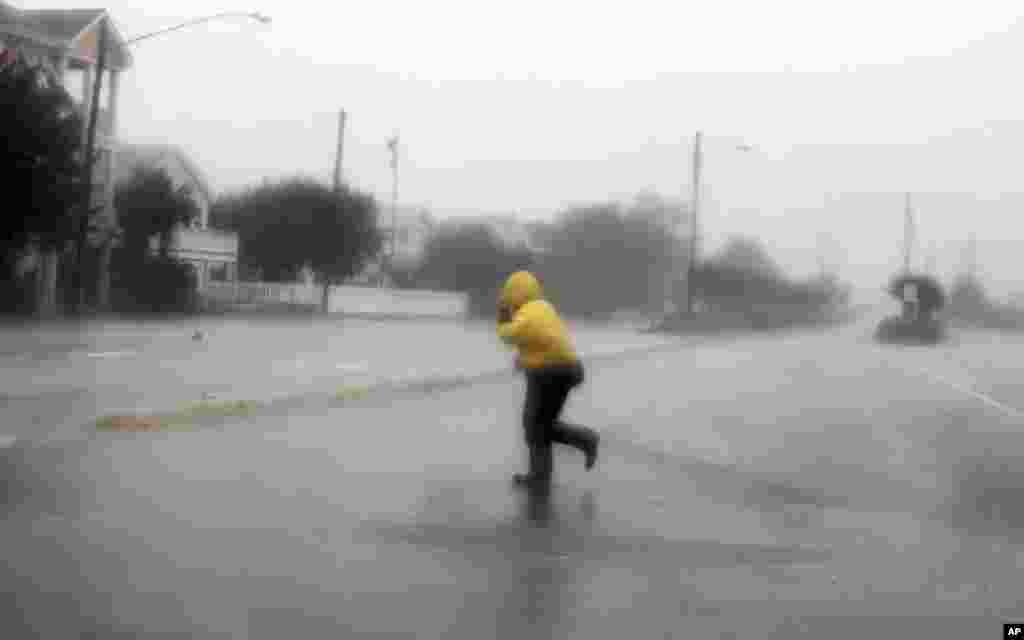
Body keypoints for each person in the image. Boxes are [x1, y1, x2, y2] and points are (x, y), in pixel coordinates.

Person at [496, 270, 599, 494]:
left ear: (516, 294)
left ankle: (542, 476)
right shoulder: (543, 308)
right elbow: (544, 341)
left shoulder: (529, 313)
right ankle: (579, 445)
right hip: (562, 369)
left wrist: (503, 315)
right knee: (540, 425)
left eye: (508, 294)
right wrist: (523, 359)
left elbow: (510, 334)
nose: (506, 299)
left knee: (535, 425)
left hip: (549, 373)